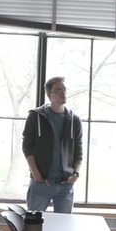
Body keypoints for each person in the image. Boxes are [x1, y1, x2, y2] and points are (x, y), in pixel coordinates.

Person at [21, 76, 83, 213]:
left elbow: (78, 151)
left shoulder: (74, 120)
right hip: (41, 183)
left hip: (65, 184)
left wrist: (75, 174)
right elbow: (27, 147)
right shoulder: (36, 116)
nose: (64, 94)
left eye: (65, 90)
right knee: (33, 228)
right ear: (49, 95)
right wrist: (36, 174)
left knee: (63, 229)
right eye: (59, 91)